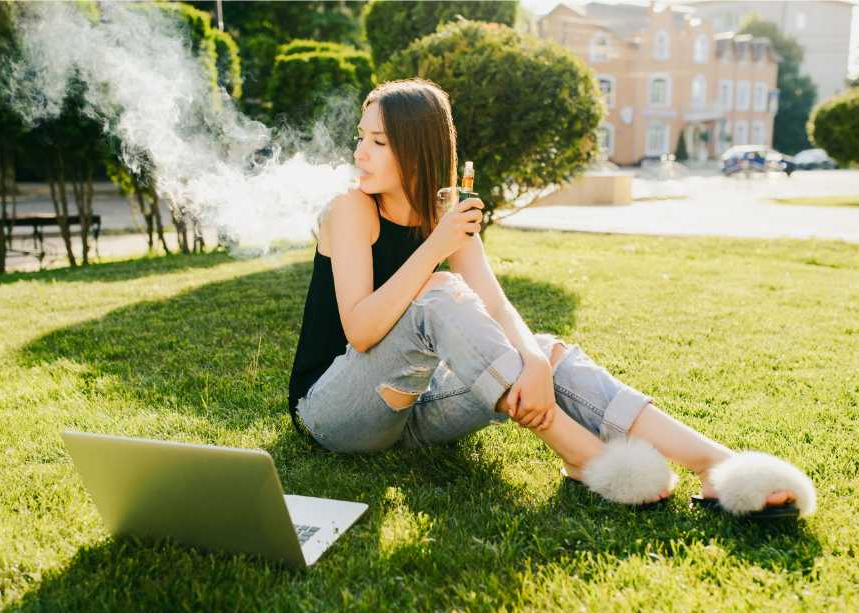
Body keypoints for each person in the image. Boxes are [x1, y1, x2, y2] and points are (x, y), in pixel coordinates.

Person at [287, 78, 815, 518]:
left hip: (411, 415)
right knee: (438, 292)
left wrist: (535, 361)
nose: (360, 152)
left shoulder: (447, 210)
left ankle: (718, 466)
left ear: (416, 145)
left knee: (547, 350)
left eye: (377, 141)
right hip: (334, 411)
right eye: (362, 137)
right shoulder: (351, 210)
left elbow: (493, 303)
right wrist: (435, 252)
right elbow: (360, 329)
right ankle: (584, 456)